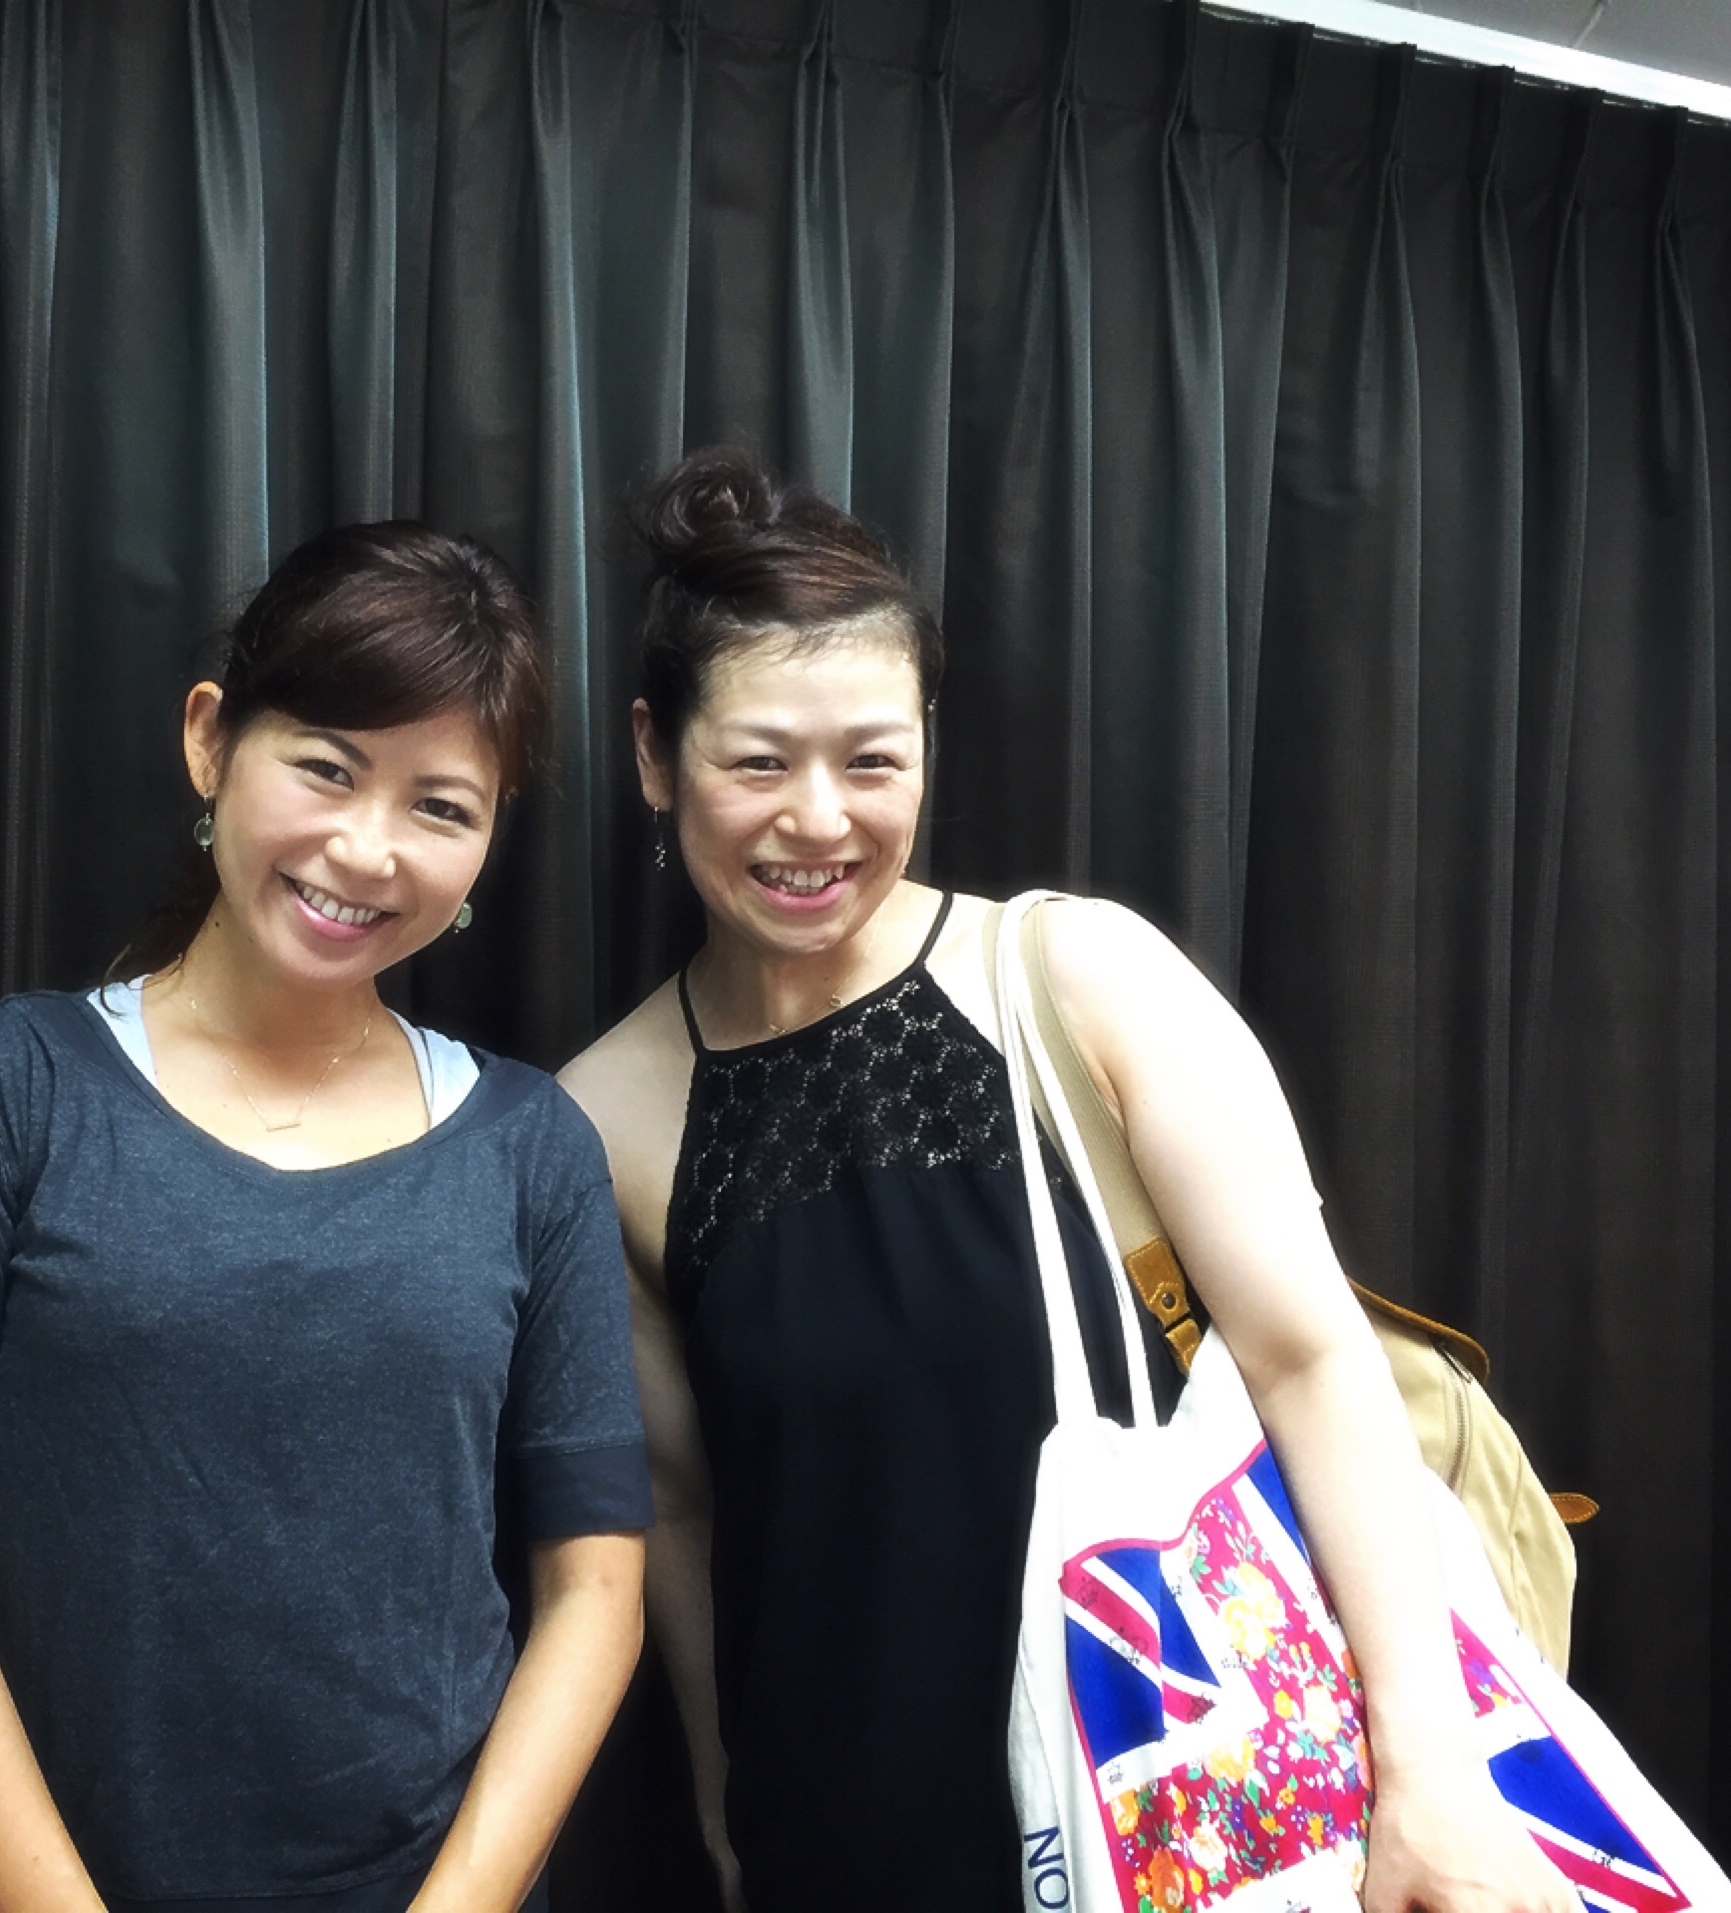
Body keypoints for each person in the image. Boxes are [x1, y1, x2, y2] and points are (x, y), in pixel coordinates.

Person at [557, 449, 1579, 1912]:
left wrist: (1431, 1770)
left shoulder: (1074, 977)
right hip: (852, 1840)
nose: (819, 818)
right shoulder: (601, 1118)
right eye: (758, 762)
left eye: (871, 761)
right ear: (656, 757)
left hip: (1193, 1805)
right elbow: (685, 1519)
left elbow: (1308, 1364)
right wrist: (734, 1841)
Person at [0, 521, 653, 1913]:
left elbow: (597, 1590)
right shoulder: (2, 1088)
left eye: (440, 806)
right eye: (325, 767)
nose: (366, 849)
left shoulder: (533, 1149)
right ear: (211, 740)